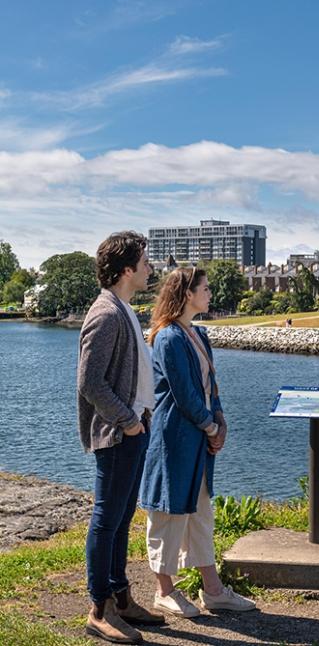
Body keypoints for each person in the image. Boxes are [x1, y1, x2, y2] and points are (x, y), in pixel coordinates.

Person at [140, 267, 255, 617]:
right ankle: (164, 590)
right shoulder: (168, 338)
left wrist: (219, 420)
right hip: (174, 438)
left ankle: (214, 590)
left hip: (199, 439)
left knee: (201, 512)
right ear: (187, 294)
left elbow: (209, 387)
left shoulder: (198, 335)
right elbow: (184, 393)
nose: (209, 294)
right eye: (204, 289)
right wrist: (210, 427)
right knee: (168, 511)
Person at [77, 231, 165, 644]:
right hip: (118, 433)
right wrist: (128, 420)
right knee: (106, 521)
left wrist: (138, 421)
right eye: (145, 263)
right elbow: (90, 382)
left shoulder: (123, 308)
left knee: (121, 519)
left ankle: (120, 596)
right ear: (127, 269)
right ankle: (100, 609)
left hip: (134, 429)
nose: (150, 269)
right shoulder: (106, 314)